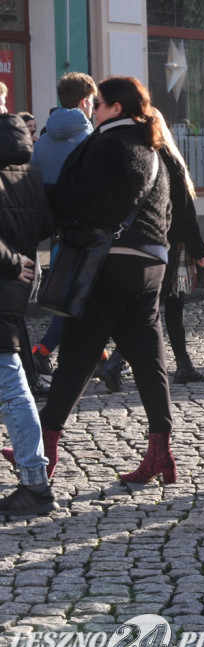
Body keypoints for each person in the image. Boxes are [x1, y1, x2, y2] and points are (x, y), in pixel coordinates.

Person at [42, 76, 180, 485]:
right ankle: (162, 453)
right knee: (148, 360)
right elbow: (171, 211)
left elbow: (84, 202)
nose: (93, 111)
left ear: (115, 108)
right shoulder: (152, 148)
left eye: (98, 105)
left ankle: (42, 450)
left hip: (111, 263)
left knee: (77, 356)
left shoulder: (108, 144)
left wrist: (39, 196)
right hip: (151, 265)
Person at [0, 113, 57, 516]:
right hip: (16, 287)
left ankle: (36, 483)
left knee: (12, 384)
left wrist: (9, 260)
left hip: (5, 280)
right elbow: (44, 225)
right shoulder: (31, 174)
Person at [28, 72, 98, 378]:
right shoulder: (91, 140)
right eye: (93, 102)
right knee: (79, 296)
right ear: (85, 101)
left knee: (75, 294)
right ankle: (43, 351)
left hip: (56, 230)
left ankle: (97, 357)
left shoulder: (41, 142)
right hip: (88, 230)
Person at [155, 110, 204, 384]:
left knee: (151, 308)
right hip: (171, 244)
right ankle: (116, 362)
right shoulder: (170, 160)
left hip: (149, 243)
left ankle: (184, 364)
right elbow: (186, 212)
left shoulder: (142, 157)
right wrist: (199, 251)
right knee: (170, 308)